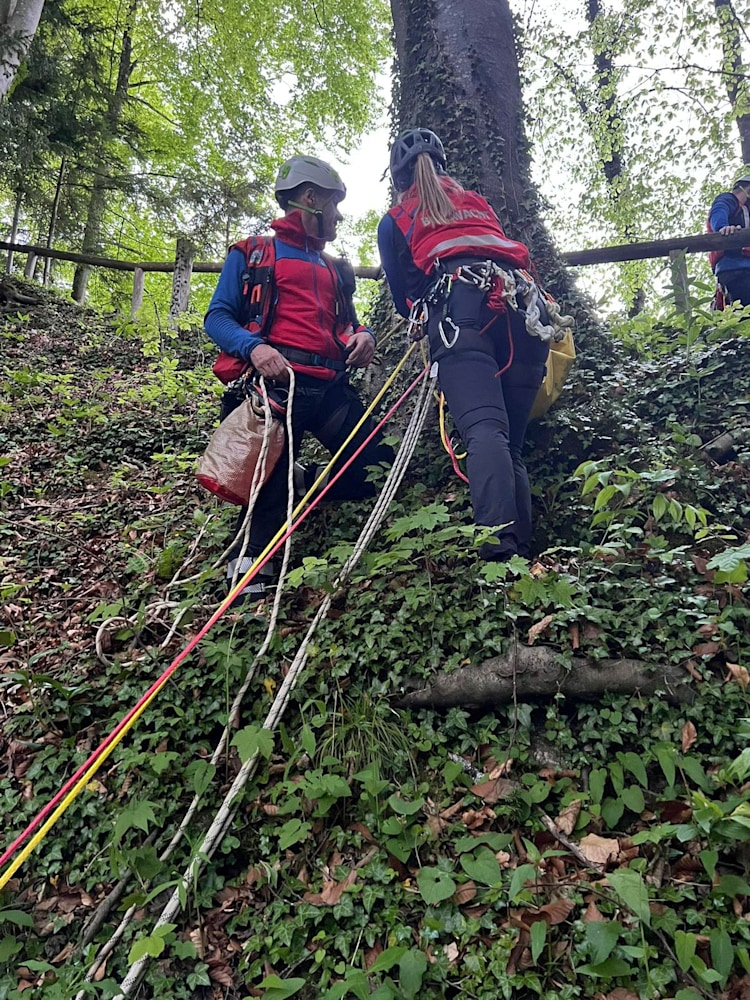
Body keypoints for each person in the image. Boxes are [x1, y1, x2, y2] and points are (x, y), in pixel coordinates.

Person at [205, 154, 393, 600]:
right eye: (333, 204)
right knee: (266, 484)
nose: (339, 216)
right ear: (310, 199)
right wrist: (256, 347)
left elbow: (346, 323)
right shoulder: (253, 253)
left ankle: (305, 483)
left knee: (375, 466)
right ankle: (249, 568)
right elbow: (218, 318)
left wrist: (363, 335)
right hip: (275, 390)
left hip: (330, 391)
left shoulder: (335, 268)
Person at [377, 128, 549, 562]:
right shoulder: (477, 203)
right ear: (443, 165)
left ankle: (498, 556)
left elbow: (405, 296)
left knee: (485, 431)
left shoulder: (397, 219)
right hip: (525, 310)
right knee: (508, 442)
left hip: (461, 313)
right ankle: (521, 553)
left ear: (398, 179)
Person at [708, 175, 750, 306]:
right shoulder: (730, 200)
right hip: (738, 268)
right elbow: (719, 209)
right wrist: (723, 228)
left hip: (734, 271)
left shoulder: (744, 211)